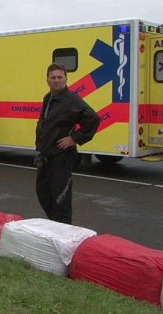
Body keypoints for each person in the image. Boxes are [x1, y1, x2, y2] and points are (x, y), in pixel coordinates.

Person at [35, 63, 100, 224]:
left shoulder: (71, 100)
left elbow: (93, 119)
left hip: (62, 156)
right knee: (42, 192)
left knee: (60, 198)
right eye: (53, 78)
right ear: (47, 80)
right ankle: (55, 225)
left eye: (60, 77)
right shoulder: (48, 98)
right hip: (46, 154)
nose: (57, 81)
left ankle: (63, 230)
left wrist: (74, 139)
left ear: (66, 79)